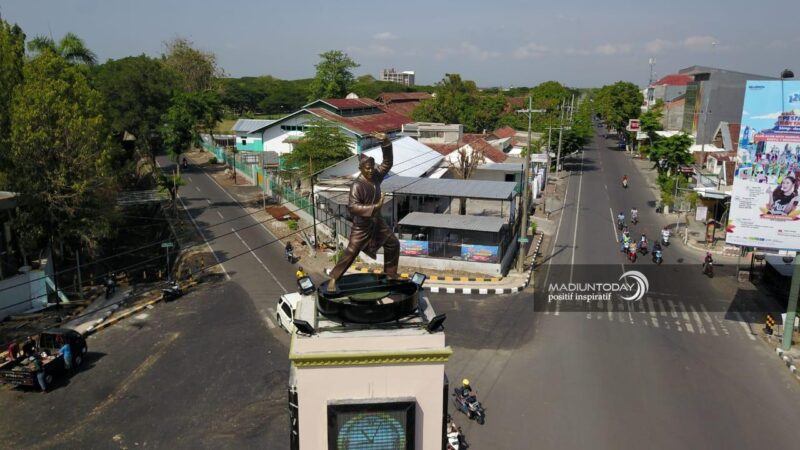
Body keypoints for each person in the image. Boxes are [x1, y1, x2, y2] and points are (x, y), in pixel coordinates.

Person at [327, 133, 400, 292]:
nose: (372, 170)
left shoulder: (375, 176)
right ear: (361, 169)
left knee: (393, 243)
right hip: (362, 226)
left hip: (377, 222)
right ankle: (333, 278)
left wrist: (386, 142)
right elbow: (353, 207)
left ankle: (390, 273)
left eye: (373, 167)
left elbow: (387, 163)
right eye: (368, 168)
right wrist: (375, 207)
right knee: (351, 252)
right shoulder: (357, 186)